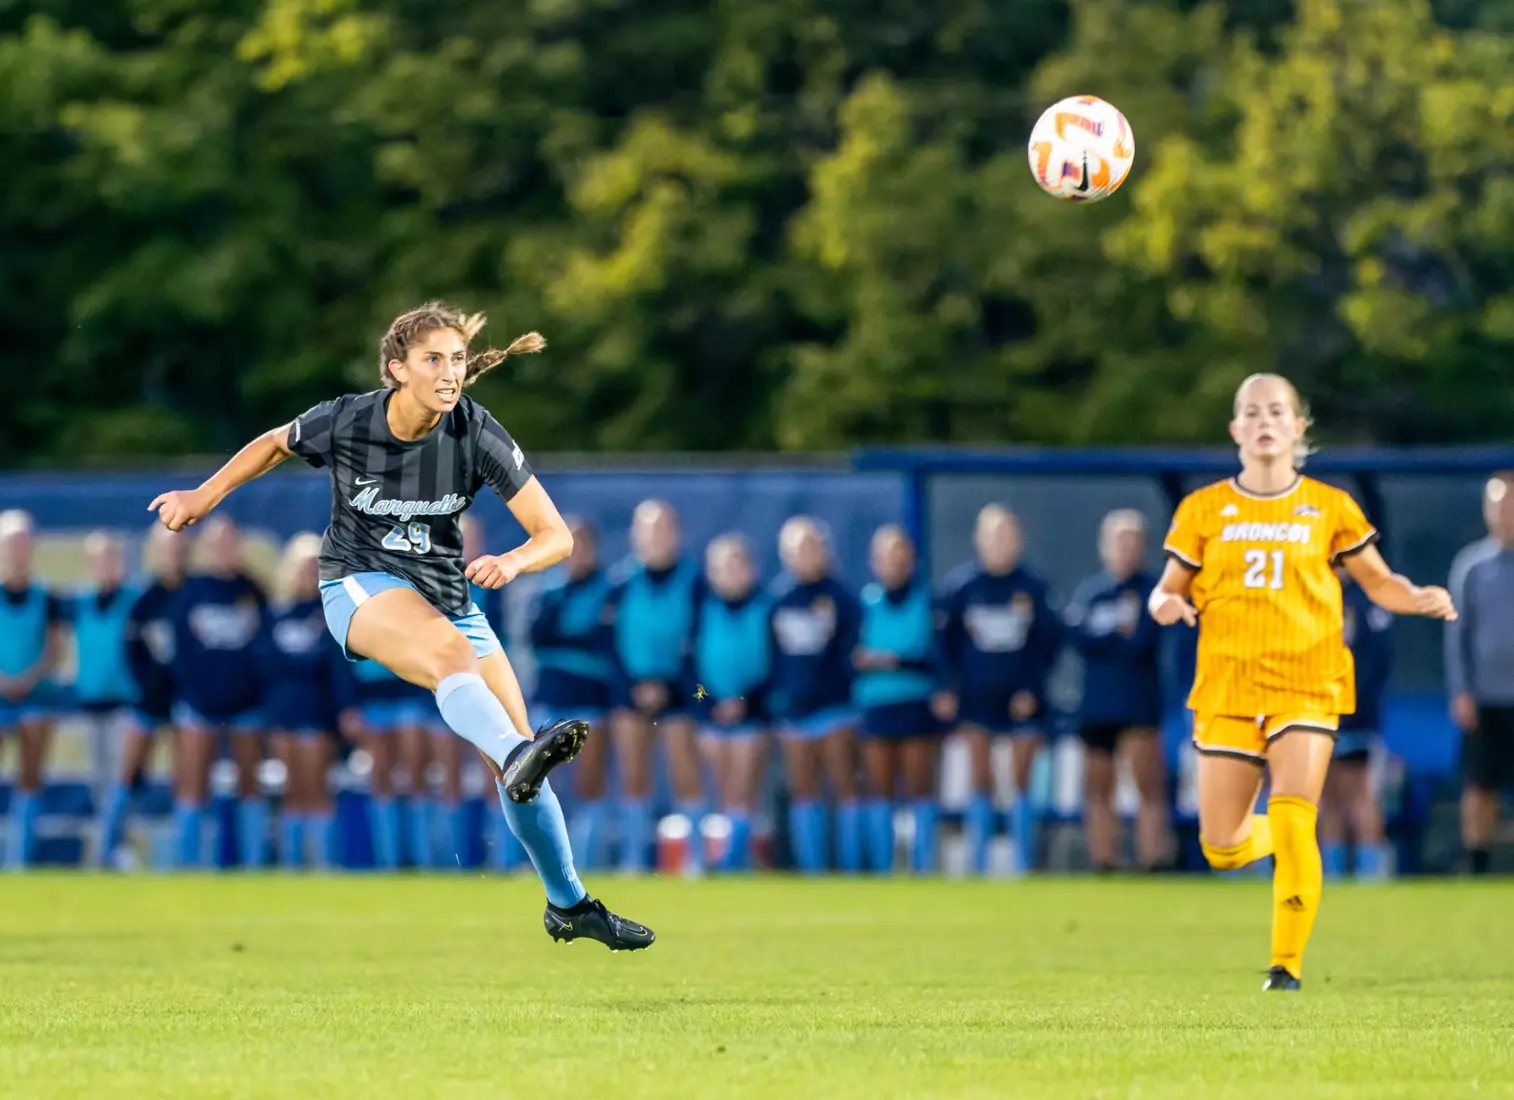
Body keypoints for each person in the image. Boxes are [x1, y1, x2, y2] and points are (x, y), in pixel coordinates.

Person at [149, 301, 651, 948]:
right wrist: (202, 496)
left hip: (447, 597)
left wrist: (514, 559)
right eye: (433, 359)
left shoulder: (476, 431)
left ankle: (569, 903)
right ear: (396, 370)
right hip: (356, 585)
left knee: (517, 768)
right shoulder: (350, 419)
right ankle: (515, 757)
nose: (450, 372)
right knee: (469, 685)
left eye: (459, 359)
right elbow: (276, 442)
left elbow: (554, 536)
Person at [1149, 373, 1455, 991]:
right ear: (1236, 429)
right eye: (1252, 412)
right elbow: (1168, 586)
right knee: (1223, 846)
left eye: (1277, 411)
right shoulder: (1202, 509)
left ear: (1298, 426)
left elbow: (1378, 582)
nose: (1265, 420)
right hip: (1228, 685)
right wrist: (1162, 603)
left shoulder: (1331, 507)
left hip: (1307, 681)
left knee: (1295, 818)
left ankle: (1285, 967)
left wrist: (1415, 596)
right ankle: (1266, 856)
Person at [939, 505, 1061, 875]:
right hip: (977, 697)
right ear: (979, 540)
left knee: (1020, 780)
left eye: (1008, 535)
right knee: (981, 779)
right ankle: (979, 862)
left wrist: (1031, 689)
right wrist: (949, 687)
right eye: (994, 535)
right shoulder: (963, 587)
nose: (1001, 543)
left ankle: (1022, 861)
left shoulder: (1034, 588)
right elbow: (945, 644)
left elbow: (1048, 645)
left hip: (1022, 699)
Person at [1066, 510, 1169, 872]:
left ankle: (1152, 858)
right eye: (1119, 541)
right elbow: (1078, 637)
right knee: (1098, 788)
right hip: (1097, 705)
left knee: (1148, 788)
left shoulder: (1154, 591)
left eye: (1133, 541)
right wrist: (1114, 634)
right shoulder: (1091, 593)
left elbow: (1141, 642)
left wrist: (1106, 637)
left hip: (1138, 702)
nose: (1126, 549)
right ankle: (1104, 860)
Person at [605, 500, 704, 873]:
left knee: (685, 772)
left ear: (676, 534)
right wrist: (635, 686)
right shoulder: (620, 583)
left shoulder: (695, 581)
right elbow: (609, 644)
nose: (655, 537)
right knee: (633, 775)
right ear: (634, 535)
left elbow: (701, 641)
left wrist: (670, 686)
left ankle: (696, 860)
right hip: (630, 692)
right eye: (647, 529)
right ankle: (633, 859)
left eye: (663, 528)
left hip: (683, 692)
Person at [168, 517, 267, 869]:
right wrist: (194, 694)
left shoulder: (253, 591)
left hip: (247, 707)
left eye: (230, 542)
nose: (224, 549)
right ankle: (187, 867)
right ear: (206, 549)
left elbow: (265, 647)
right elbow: (179, 652)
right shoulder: (190, 591)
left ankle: (253, 867)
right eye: (217, 543)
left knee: (250, 788)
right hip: (199, 707)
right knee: (192, 789)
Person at [259, 533, 359, 871]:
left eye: (313, 569)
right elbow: (266, 664)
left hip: (318, 715)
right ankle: (292, 865)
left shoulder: (332, 615)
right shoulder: (275, 614)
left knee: (318, 791)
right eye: (301, 569)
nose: (306, 576)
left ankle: (324, 864)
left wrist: (346, 708)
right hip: (284, 714)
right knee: (292, 792)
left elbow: (337, 667)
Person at [768, 517, 862, 874]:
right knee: (804, 789)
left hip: (836, 707)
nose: (805, 554)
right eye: (797, 547)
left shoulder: (842, 598)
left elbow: (854, 650)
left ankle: (853, 868)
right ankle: (812, 869)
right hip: (794, 711)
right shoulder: (777, 599)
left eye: (812, 546)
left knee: (845, 786)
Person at [853, 526, 945, 874]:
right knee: (879, 787)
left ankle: (922, 864)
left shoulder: (927, 602)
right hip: (876, 704)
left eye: (900, 555)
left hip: (916, 703)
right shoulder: (864, 604)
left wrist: (896, 661)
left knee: (920, 786)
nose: (894, 563)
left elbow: (937, 657)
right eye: (886, 556)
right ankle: (883, 866)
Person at [527, 517, 615, 870]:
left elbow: (601, 643)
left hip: (590, 702)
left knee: (588, 785)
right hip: (549, 701)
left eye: (583, 546)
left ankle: (586, 862)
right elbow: (537, 637)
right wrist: (575, 639)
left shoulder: (609, 589)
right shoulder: (547, 589)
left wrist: (565, 641)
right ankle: (548, 862)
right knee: (542, 786)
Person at [106, 525, 190, 867]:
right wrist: (147, 687)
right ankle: (110, 850)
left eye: (178, 547)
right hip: (147, 700)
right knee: (127, 776)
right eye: (166, 548)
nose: (173, 554)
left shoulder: (194, 592)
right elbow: (131, 651)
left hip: (186, 702)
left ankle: (184, 858)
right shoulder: (144, 598)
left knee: (188, 779)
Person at [1446, 471, 1514, 875]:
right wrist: (1462, 690)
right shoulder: (1472, 566)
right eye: (1499, 505)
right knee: (1479, 784)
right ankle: (1478, 862)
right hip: (1485, 697)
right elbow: (1458, 633)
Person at [692, 534, 772, 872]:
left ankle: (731, 864)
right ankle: (720, 861)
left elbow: (774, 665)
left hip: (752, 716)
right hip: (712, 716)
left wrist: (743, 701)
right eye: (723, 568)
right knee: (723, 794)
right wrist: (710, 702)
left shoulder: (767, 608)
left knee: (743, 793)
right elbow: (691, 673)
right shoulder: (702, 611)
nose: (731, 574)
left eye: (737, 565)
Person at [0, 510, 67, 869]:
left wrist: (26, 679)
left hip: (36, 696)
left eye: (23, 542)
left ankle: (18, 860)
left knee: (30, 778)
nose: (16, 550)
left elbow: (55, 650)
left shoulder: (46, 596)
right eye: (10, 543)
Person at [1319, 563, 1393, 880]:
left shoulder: (1367, 600)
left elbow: (1377, 661)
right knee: (1326, 794)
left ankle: (1369, 870)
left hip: (1354, 716)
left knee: (1359, 792)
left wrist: (1348, 704)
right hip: (1317, 713)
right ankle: (1333, 870)